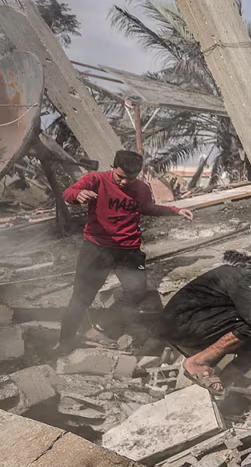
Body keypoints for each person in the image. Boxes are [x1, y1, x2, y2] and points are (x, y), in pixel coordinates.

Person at [57, 150, 194, 352]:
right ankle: (66, 340)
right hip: (97, 248)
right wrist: (78, 195)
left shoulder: (140, 188)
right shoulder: (96, 180)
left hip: (129, 251)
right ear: (112, 167)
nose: (124, 183)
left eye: (130, 178)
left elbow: (148, 208)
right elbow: (68, 194)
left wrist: (175, 211)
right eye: (120, 177)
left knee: (136, 290)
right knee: (82, 296)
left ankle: (100, 328)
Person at [157, 263, 251, 394]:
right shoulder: (250, 282)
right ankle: (198, 362)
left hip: (196, 323)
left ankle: (218, 388)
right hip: (181, 323)